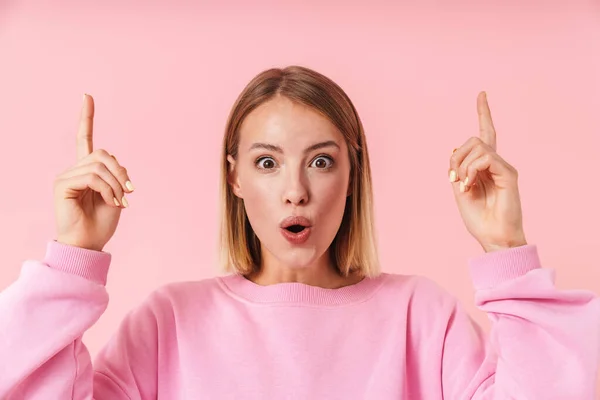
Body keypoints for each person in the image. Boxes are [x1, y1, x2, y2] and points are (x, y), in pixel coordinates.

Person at [0, 66, 598, 399]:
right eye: (266, 162)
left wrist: (505, 250)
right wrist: (71, 261)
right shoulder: (168, 324)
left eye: (320, 160)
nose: (295, 191)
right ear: (233, 179)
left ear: (352, 171)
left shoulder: (423, 317)